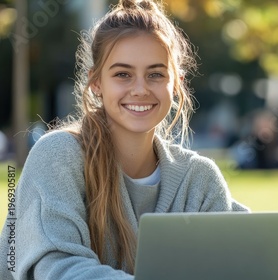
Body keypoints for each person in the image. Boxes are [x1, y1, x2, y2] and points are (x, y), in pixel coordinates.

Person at [0, 0, 249, 279]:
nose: (140, 89)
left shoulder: (199, 178)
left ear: (176, 83)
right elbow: (57, 268)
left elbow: (243, 256)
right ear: (96, 83)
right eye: (123, 74)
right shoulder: (58, 156)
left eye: (155, 74)